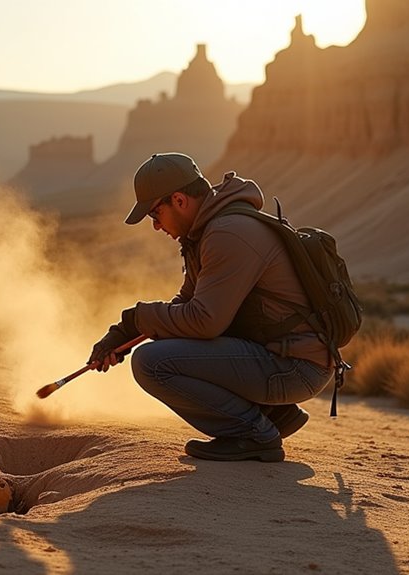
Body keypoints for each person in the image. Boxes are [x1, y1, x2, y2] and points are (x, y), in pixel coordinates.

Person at [88, 152, 334, 462]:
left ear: (179, 200)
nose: (155, 226)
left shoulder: (227, 233)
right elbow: (188, 305)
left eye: (154, 214)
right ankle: (273, 414)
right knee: (161, 347)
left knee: (151, 363)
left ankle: (254, 433)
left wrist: (138, 320)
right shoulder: (208, 230)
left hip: (296, 367)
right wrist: (125, 334)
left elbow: (205, 322)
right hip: (282, 358)